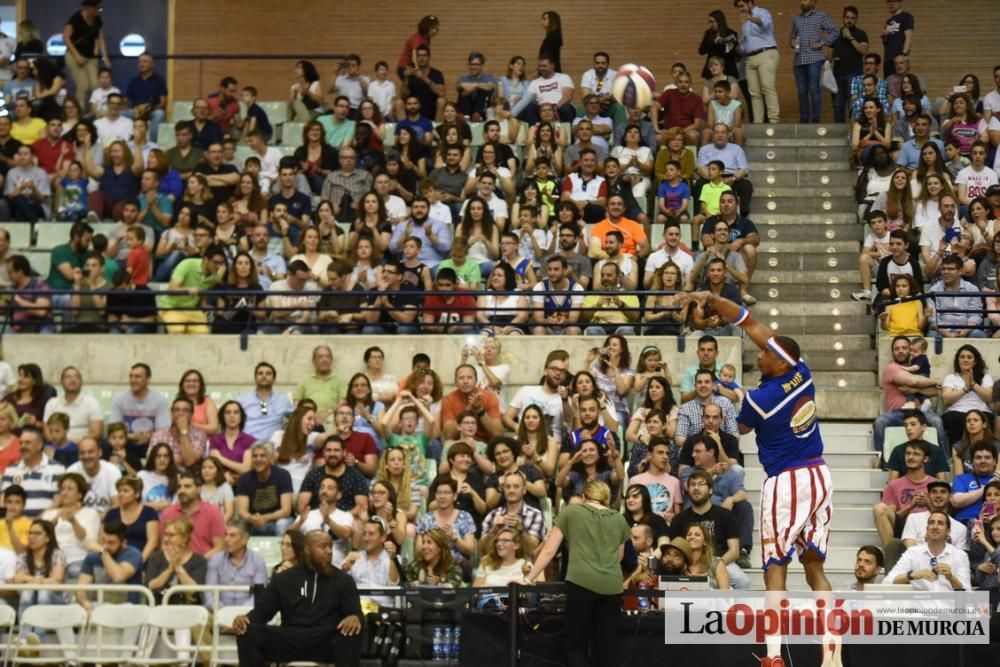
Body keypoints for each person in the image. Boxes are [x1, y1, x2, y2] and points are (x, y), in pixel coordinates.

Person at [683, 290, 830, 661]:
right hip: (820, 475)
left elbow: (744, 428)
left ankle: (774, 655)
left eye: (765, 353)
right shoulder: (802, 370)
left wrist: (730, 394)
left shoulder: (761, 400)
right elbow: (749, 322)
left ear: (779, 361)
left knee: (774, 565)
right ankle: (833, 651)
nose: (760, 353)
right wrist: (715, 300)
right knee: (814, 565)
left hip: (787, 480)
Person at [524, 480, 629, 667]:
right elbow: (619, 555)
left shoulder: (571, 511)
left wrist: (529, 577)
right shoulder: (619, 518)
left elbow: (549, 550)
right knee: (607, 646)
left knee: (576, 645)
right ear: (606, 499)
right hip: (613, 587)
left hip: (582, 584)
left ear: (583, 497)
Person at [884, 510, 970, 591]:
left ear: (948, 531)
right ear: (927, 529)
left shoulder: (960, 555)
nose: (935, 527)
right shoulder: (913, 553)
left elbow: (967, 592)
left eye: (940, 523)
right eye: (931, 523)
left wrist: (951, 578)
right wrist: (911, 575)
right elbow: (887, 582)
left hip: (949, 605)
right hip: (920, 605)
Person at [75, 520, 142, 612]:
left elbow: (118, 576)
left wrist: (103, 552)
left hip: (127, 610)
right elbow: (81, 588)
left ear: (123, 543)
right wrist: (85, 603)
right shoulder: (93, 557)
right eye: (103, 541)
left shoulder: (133, 555)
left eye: (111, 543)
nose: (105, 546)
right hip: (98, 607)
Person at [789, 0, 838, 124]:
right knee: (801, 91)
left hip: (814, 58)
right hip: (799, 59)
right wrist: (793, 42)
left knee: (814, 89)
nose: (802, 2)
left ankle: (816, 120)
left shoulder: (821, 15)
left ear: (813, 2)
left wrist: (822, 43)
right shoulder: (796, 18)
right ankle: (804, 119)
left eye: (805, 0)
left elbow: (835, 31)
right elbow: (792, 37)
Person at [0, 426, 64, 517]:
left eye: (27, 443)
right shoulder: (10, 471)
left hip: (45, 525)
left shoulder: (57, 469)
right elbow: (3, 500)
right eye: (21, 443)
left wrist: (38, 520)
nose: (23, 446)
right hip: (16, 524)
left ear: (39, 445)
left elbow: (58, 501)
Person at [160, 471, 225, 558]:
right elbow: (163, 545)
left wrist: (197, 564)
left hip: (204, 564)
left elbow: (220, 547)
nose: (182, 490)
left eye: (187, 486)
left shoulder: (212, 512)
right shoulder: (168, 512)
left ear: (199, 489)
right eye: (179, 487)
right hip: (173, 563)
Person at [205, 519, 268, 609]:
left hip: (248, 613)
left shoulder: (258, 561)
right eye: (226, 535)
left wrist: (240, 613)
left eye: (232, 536)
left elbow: (258, 595)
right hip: (219, 612)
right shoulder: (215, 560)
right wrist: (225, 612)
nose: (226, 539)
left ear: (244, 540)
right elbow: (209, 596)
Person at [735, 0, 780, 124]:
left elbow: (765, 25)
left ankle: (773, 119)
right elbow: (745, 43)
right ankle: (758, 121)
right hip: (750, 58)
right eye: (738, 7)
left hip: (766, 53)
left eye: (741, 6)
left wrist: (752, 18)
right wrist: (740, 48)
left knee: (767, 87)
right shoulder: (744, 24)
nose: (740, 10)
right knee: (754, 92)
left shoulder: (762, 12)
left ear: (750, 3)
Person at [145, 516, 208, 605]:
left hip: (188, 611)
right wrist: (169, 570)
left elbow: (194, 591)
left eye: (171, 535)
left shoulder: (199, 561)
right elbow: (151, 586)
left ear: (185, 538)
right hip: (159, 609)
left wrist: (178, 567)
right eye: (165, 534)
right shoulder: (156, 558)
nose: (166, 539)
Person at [236, 442, 294, 536]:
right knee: (239, 526)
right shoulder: (244, 479)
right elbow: (242, 512)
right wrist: (252, 518)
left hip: (278, 520)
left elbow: (286, 511)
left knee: (281, 524)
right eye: (255, 456)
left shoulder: (283, 475)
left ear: (270, 458)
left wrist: (265, 518)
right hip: (255, 522)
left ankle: (282, 550)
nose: (258, 459)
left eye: (263, 456)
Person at [63, 0, 110, 108]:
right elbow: (66, 37)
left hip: (90, 56)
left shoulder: (97, 19)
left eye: (100, 9)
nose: (98, 11)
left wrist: (105, 57)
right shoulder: (76, 18)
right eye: (97, 8)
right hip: (73, 55)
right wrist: (76, 55)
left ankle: (96, 111)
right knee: (83, 85)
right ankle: (79, 112)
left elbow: (100, 38)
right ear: (89, 7)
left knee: (95, 84)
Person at [103, 476, 159, 563]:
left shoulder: (149, 512)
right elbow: (102, 540)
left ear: (137, 494)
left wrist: (138, 562)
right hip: (115, 561)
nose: (121, 494)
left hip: (142, 559)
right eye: (119, 491)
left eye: (126, 491)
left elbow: (153, 541)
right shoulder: (112, 513)